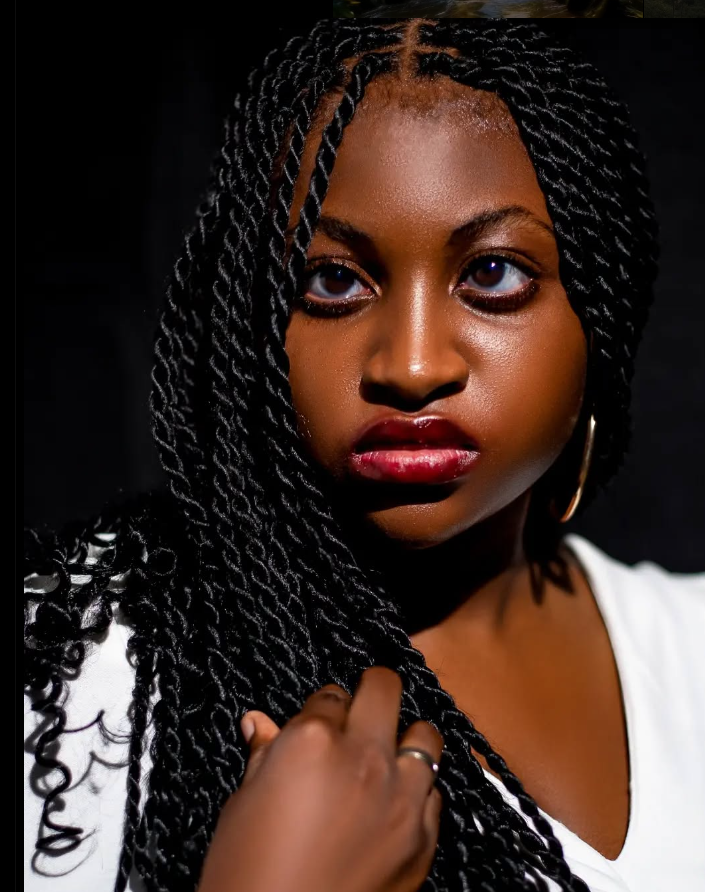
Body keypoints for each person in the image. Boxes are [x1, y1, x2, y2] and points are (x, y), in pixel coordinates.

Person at [23, 18, 705, 892]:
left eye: (492, 275)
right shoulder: (65, 673)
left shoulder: (689, 647)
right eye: (332, 280)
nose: (411, 366)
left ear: (600, 321)